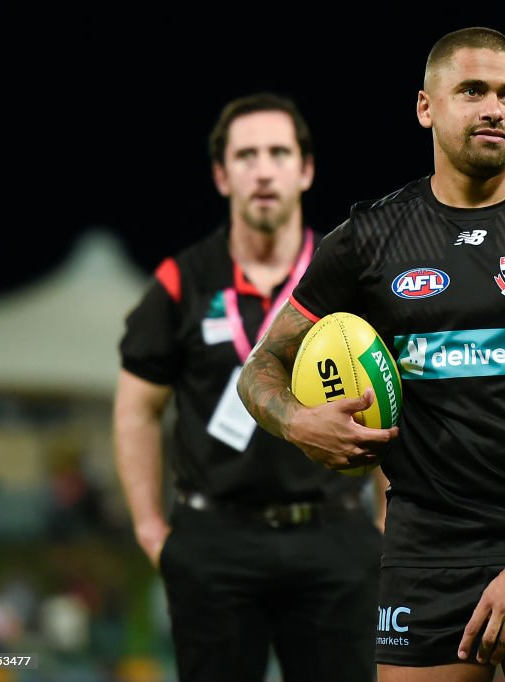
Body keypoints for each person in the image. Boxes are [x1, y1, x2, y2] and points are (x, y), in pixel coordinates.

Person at [238, 27, 505, 682]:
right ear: (426, 106)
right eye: (473, 90)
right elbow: (262, 367)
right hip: (429, 551)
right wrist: (298, 422)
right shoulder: (369, 239)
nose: (494, 109)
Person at [113, 92, 383, 682]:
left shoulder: (348, 278)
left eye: (279, 152)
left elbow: (391, 397)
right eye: (247, 154)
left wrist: (386, 523)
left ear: (305, 169)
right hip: (215, 544)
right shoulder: (179, 281)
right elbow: (136, 410)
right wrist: (151, 529)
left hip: (334, 537)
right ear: (221, 173)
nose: (263, 169)